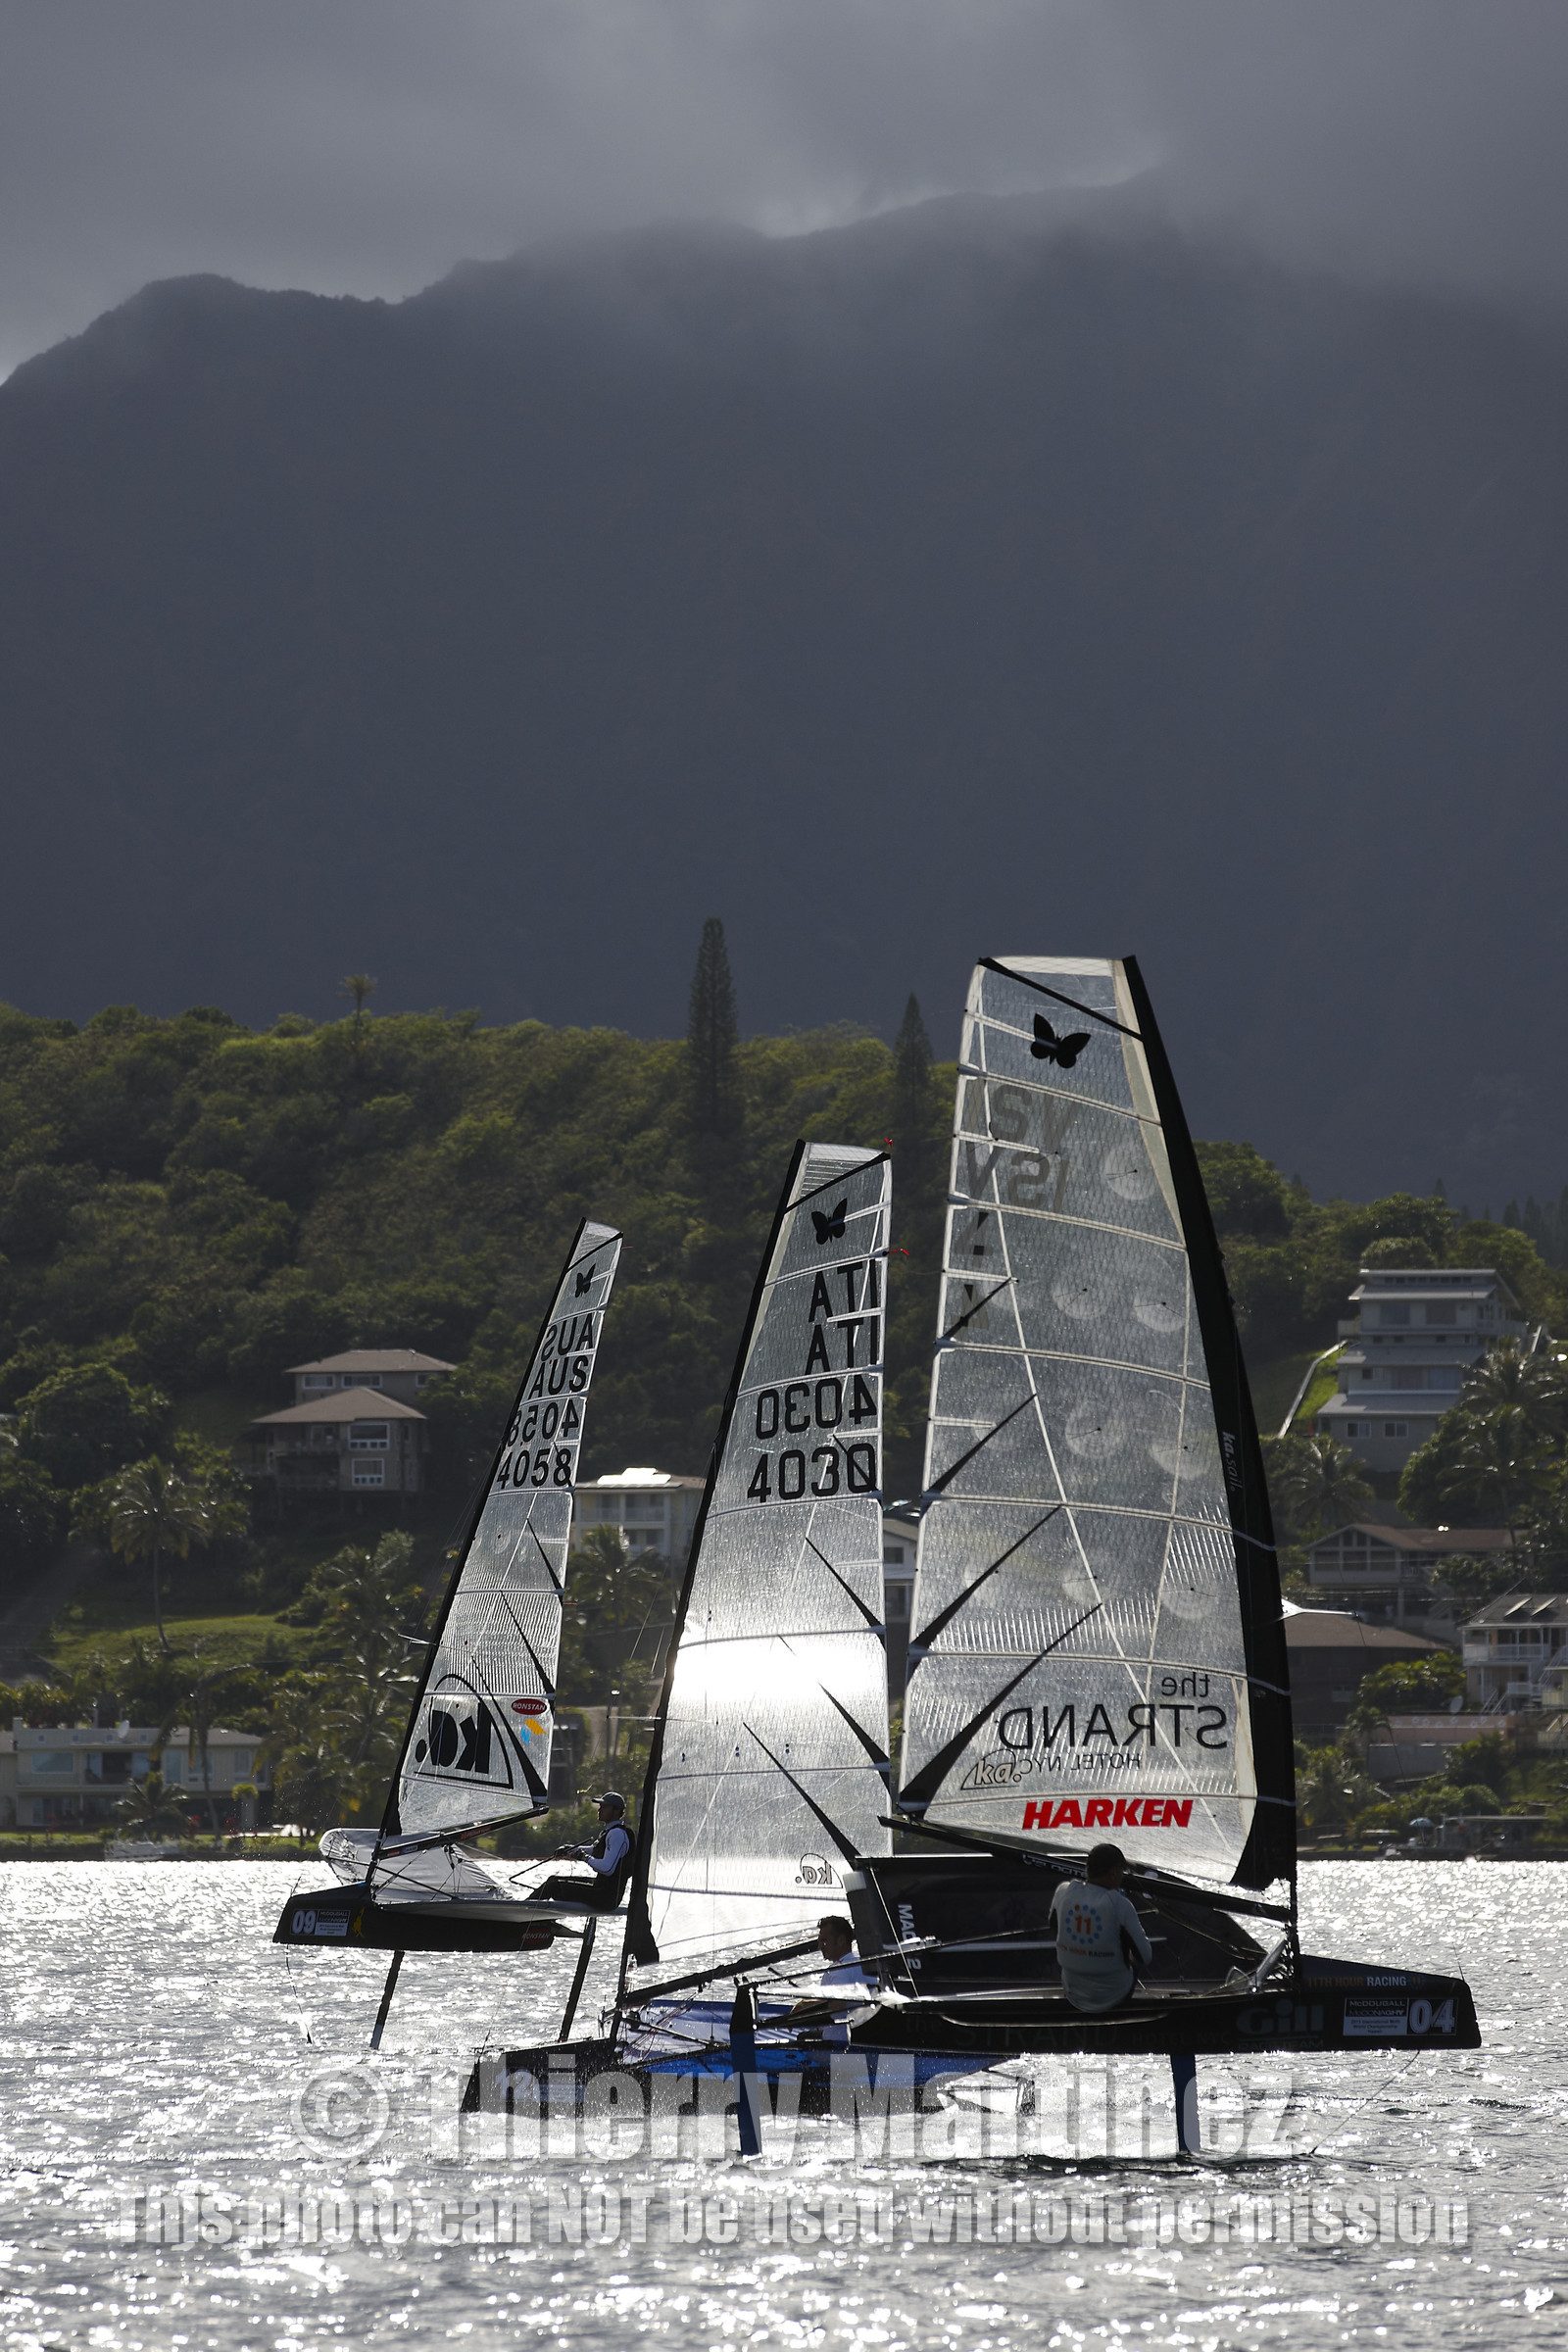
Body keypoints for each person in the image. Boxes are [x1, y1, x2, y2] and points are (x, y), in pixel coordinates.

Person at [1046, 1843, 1153, 2013]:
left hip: (1072, 1992)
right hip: (1115, 1996)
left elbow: (1054, 1926)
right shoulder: (1121, 1905)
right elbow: (1145, 1956)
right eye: (1122, 1872)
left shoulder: (1063, 1891)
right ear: (1113, 1874)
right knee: (1133, 1955)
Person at [527, 1791, 635, 1910]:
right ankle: (537, 1918)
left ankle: (525, 1910)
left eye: (604, 1807)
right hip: (600, 1889)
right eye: (600, 1807)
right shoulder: (611, 1832)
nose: (599, 1810)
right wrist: (570, 1849)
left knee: (553, 1887)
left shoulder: (617, 1834)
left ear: (616, 1811)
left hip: (606, 1898)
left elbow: (607, 1869)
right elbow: (594, 1850)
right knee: (553, 1879)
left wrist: (584, 1858)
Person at [788, 1916, 877, 2041]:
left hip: (840, 2042)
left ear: (841, 1940)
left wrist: (803, 2007)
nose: (820, 1947)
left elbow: (838, 2004)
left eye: (824, 1941)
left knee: (802, 2039)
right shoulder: (864, 1964)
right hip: (867, 2036)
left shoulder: (838, 1970)